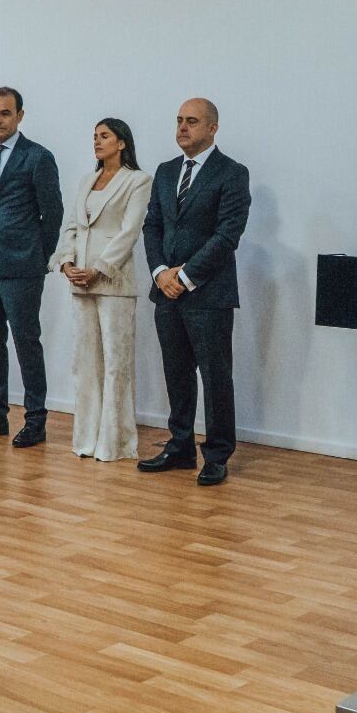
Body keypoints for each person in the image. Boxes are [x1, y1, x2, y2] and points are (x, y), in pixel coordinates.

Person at [139, 98, 251, 487]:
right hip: (165, 292)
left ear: (213, 128)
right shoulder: (166, 171)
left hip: (208, 294)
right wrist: (158, 273)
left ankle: (217, 454)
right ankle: (180, 445)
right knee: (176, 372)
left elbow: (227, 236)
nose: (183, 128)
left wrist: (184, 277)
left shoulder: (232, 173)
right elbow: (151, 226)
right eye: (179, 121)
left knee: (216, 376)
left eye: (192, 121)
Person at [0, 87, 63, 448]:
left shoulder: (37, 157)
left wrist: (39, 257)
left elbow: (52, 213)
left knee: (26, 342)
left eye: (5, 113)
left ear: (20, 115)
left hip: (22, 266)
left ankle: (35, 419)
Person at [51, 119, 154, 461]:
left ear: (122, 142)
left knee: (115, 363)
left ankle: (115, 442)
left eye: (105, 136)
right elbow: (71, 227)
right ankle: (86, 439)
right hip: (80, 281)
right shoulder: (86, 181)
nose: (97, 141)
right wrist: (66, 263)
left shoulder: (137, 181)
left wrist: (98, 269)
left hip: (113, 283)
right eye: (94, 136)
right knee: (85, 364)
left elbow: (129, 232)